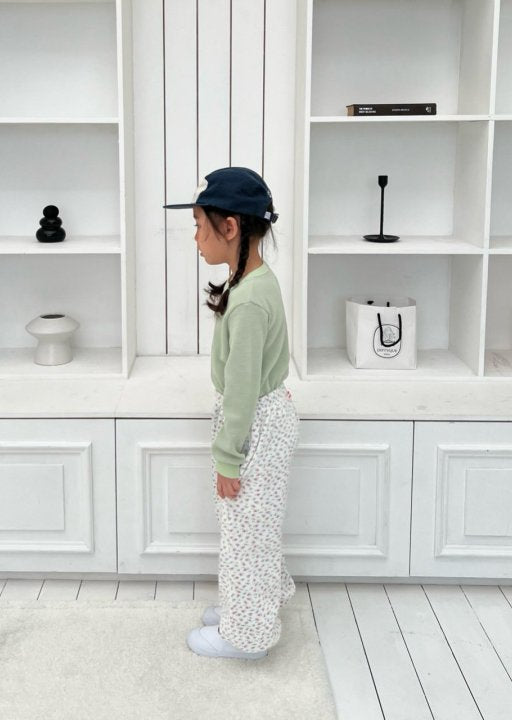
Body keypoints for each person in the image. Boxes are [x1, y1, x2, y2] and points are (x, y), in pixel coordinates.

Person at [164, 166, 300, 660]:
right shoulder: (255, 284)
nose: (195, 237)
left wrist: (227, 458)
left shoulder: (247, 303)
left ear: (230, 227)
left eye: (199, 225)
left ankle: (247, 636)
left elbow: (242, 391)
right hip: (265, 418)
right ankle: (250, 605)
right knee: (253, 527)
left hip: (252, 427)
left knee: (246, 534)